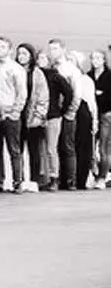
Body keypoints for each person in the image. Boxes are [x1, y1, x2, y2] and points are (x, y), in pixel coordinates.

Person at [0, 37, 28, 193]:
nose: (0, 49)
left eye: (3, 47)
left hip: (11, 114)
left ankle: (18, 182)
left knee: (14, 150)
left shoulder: (16, 69)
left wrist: (16, 112)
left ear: (9, 50)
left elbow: (22, 93)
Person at [50, 40, 83, 190]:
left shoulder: (70, 69)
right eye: (51, 49)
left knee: (68, 146)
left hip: (67, 114)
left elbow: (77, 93)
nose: (53, 52)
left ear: (63, 50)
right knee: (54, 147)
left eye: (56, 49)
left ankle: (71, 180)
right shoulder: (51, 68)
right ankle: (59, 178)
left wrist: (70, 112)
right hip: (54, 114)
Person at [38, 49, 71, 192]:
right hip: (38, 117)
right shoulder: (35, 75)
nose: (41, 60)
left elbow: (68, 92)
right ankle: (42, 177)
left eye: (44, 58)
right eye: (39, 58)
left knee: (51, 149)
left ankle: (54, 178)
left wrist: (62, 110)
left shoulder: (55, 76)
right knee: (40, 149)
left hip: (53, 116)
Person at [18, 43, 49, 191]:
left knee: (34, 150)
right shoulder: (15, 70)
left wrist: (39, 115)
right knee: (17, 150)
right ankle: (19, 180)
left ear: (31, 56)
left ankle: (34, 180)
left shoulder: (37, 73)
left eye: (24, 53)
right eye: (19, 54)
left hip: (32, 117)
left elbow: (43, 97)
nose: (21, 56)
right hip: (17, 116)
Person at [70, 52, 97, 190]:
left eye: (72, 60)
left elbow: (92, 103)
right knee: (70, 146)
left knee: (83, 147)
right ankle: (69, 178)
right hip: (70, 112)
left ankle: (81, 179)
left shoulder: (85, 80)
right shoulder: (66, 76)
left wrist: (95, 121)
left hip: (83, 113)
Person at [91, 49, 111, 189]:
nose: (95, 61)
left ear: (104, 60)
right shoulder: (89, 76)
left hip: (106, 113)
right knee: (91, 146)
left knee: (104, 146)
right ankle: (93, 173)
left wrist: (99, 95)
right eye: (93, 58)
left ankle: (102, 177)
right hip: (93, 114)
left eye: (98, 58)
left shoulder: (109, 76)